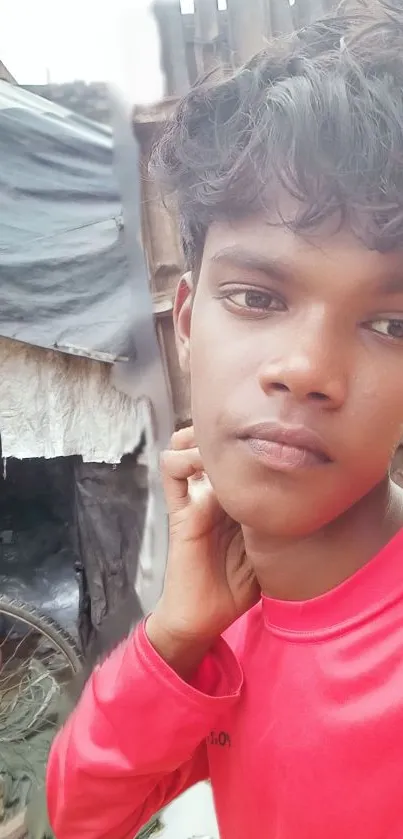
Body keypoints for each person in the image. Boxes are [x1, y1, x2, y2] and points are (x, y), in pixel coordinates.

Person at [46, 4, 403, 838]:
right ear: (187, 320)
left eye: (391, 325)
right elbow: (83, 811)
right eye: (256, 297)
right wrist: (173, 636)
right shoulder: (229, 609)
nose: (306, 370)